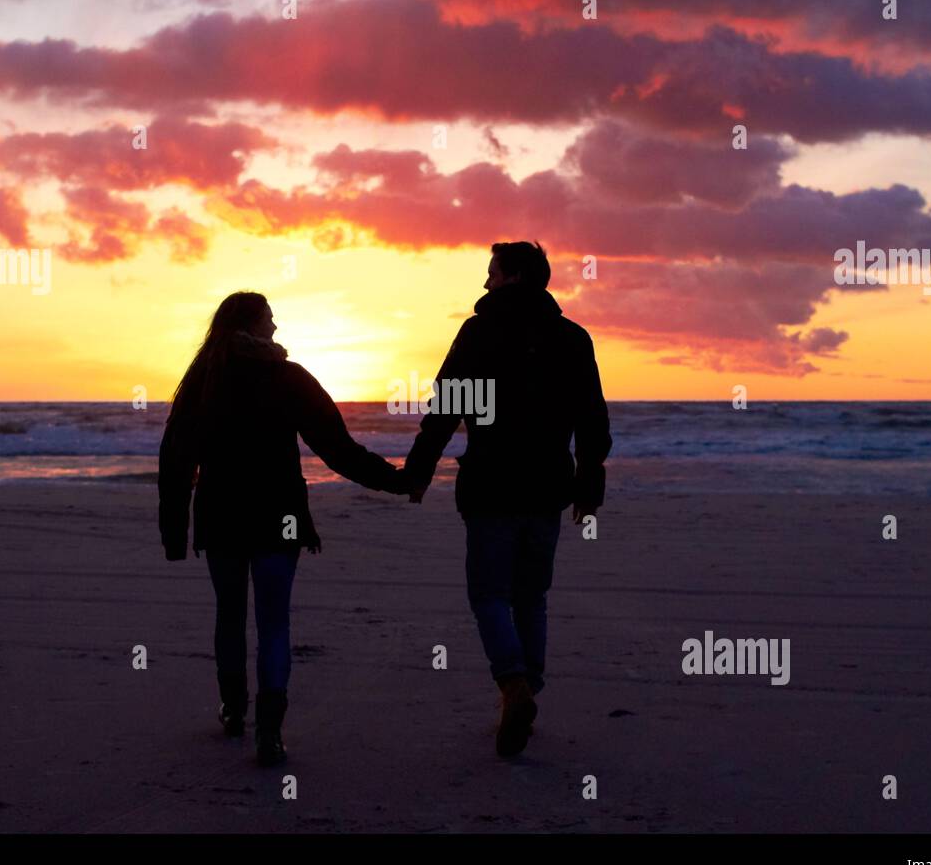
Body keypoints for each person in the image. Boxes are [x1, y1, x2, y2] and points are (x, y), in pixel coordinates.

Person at [159, 291, 406, 766]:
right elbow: (338, 450)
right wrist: (398, 481)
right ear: (252, 325)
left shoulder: (202, 380)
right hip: (279, 517)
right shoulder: (287, 378)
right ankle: (268, 732)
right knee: (274, 622)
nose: (276, 327)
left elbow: (175, 460)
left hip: (222, 516)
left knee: (229, 615)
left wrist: (174, 530)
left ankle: (234, 709)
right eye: (269, 319)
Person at [403, 242, 612, 758]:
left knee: (490, 595)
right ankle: (526, 694)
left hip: (492, 485)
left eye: (491, 273)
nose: (485, 284)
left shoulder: (480, 333)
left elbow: (445, 408)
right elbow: (593, 422)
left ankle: (514, 686)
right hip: (546, 488)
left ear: (514, 276)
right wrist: (588, 486)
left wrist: (419, 469)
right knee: (531, 596)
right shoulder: (572, 338)